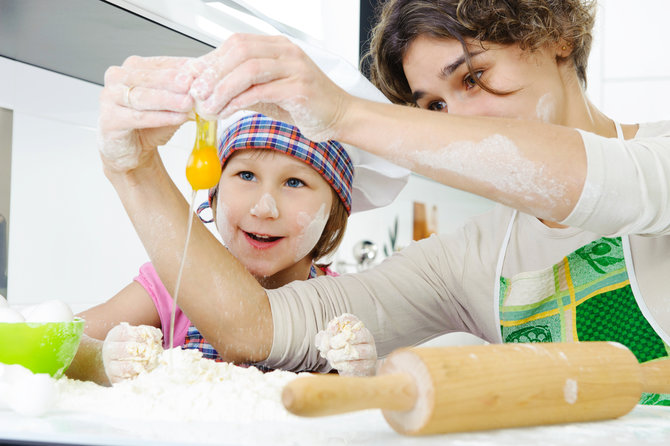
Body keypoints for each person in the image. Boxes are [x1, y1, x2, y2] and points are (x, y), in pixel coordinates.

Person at [96, 0, 669, 404]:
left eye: (472, 77)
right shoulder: (469, 259)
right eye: (435, 108)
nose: (459, 120)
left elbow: (586, 176)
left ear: (557, 39)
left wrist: (344, 115)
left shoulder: (660, 156)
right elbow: (258, 328)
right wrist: (134, 170)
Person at [66, 112, 371, 385]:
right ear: (213, 195)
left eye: (294, 182)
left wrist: (365, 373)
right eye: (246, 175)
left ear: (334, 213)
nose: (264, 208)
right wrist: (101, 359)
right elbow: (59, 342)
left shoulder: (341, 307)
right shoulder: (174, 284)